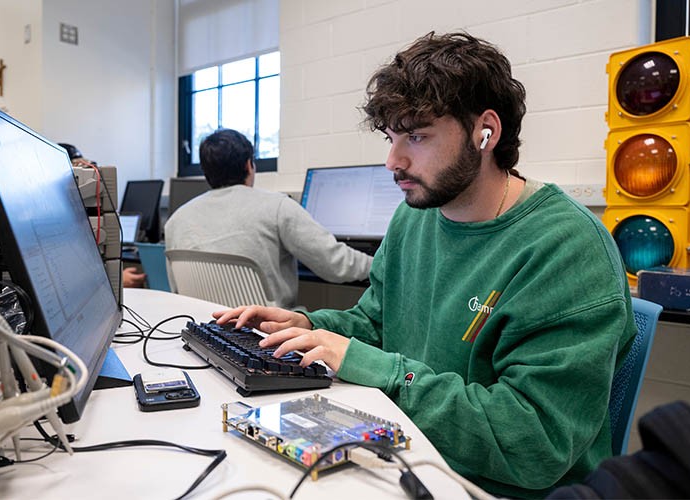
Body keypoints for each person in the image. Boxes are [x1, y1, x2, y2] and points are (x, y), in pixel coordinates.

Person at [214, 32, 637, 498]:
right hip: (411, 456)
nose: (393, 161)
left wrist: (386, 373)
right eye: (392, 137)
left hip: (493, 486)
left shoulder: (565, 248)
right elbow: (376, 322)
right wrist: (307, 326)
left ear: (486, 132)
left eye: (417, 136)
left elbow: (533, 445)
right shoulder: (414, 217)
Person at [163, 128, 372, 309]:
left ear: (206, 172)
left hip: (205, 336)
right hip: (267, 338)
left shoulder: (175, 222)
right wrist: (382, 265)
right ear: (248, 165)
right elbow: (336, 265)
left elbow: (176, 290)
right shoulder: (277, 206)